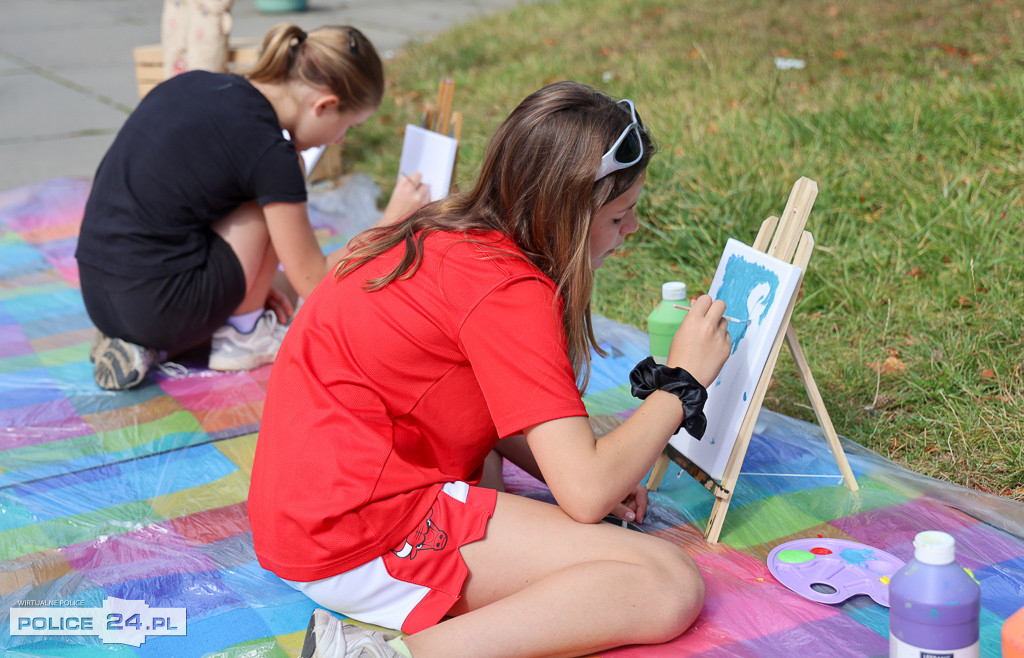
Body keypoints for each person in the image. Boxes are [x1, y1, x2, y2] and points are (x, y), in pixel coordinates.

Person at [247, 80, 734, 658]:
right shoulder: (507, 290)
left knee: (524, 486)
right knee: (665, 582)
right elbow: (584, 492)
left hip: (308, 513)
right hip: (351, 537)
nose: (631, 231)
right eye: (621, 215)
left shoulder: (447, 232)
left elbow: (495, 413)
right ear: (569, 217)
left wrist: (590, 473)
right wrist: (682, 384)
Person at [75, 23, 430, 390]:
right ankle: (243, 336)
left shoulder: (198, 85)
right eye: (348, 127)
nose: (340, 139)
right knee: (280, 193)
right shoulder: (271, 153)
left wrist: (251, 288)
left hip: (98, 294)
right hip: (157, 305)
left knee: (266, 251)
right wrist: (391, 223)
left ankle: (150, 344)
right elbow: (312, 278)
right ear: (324, 105)